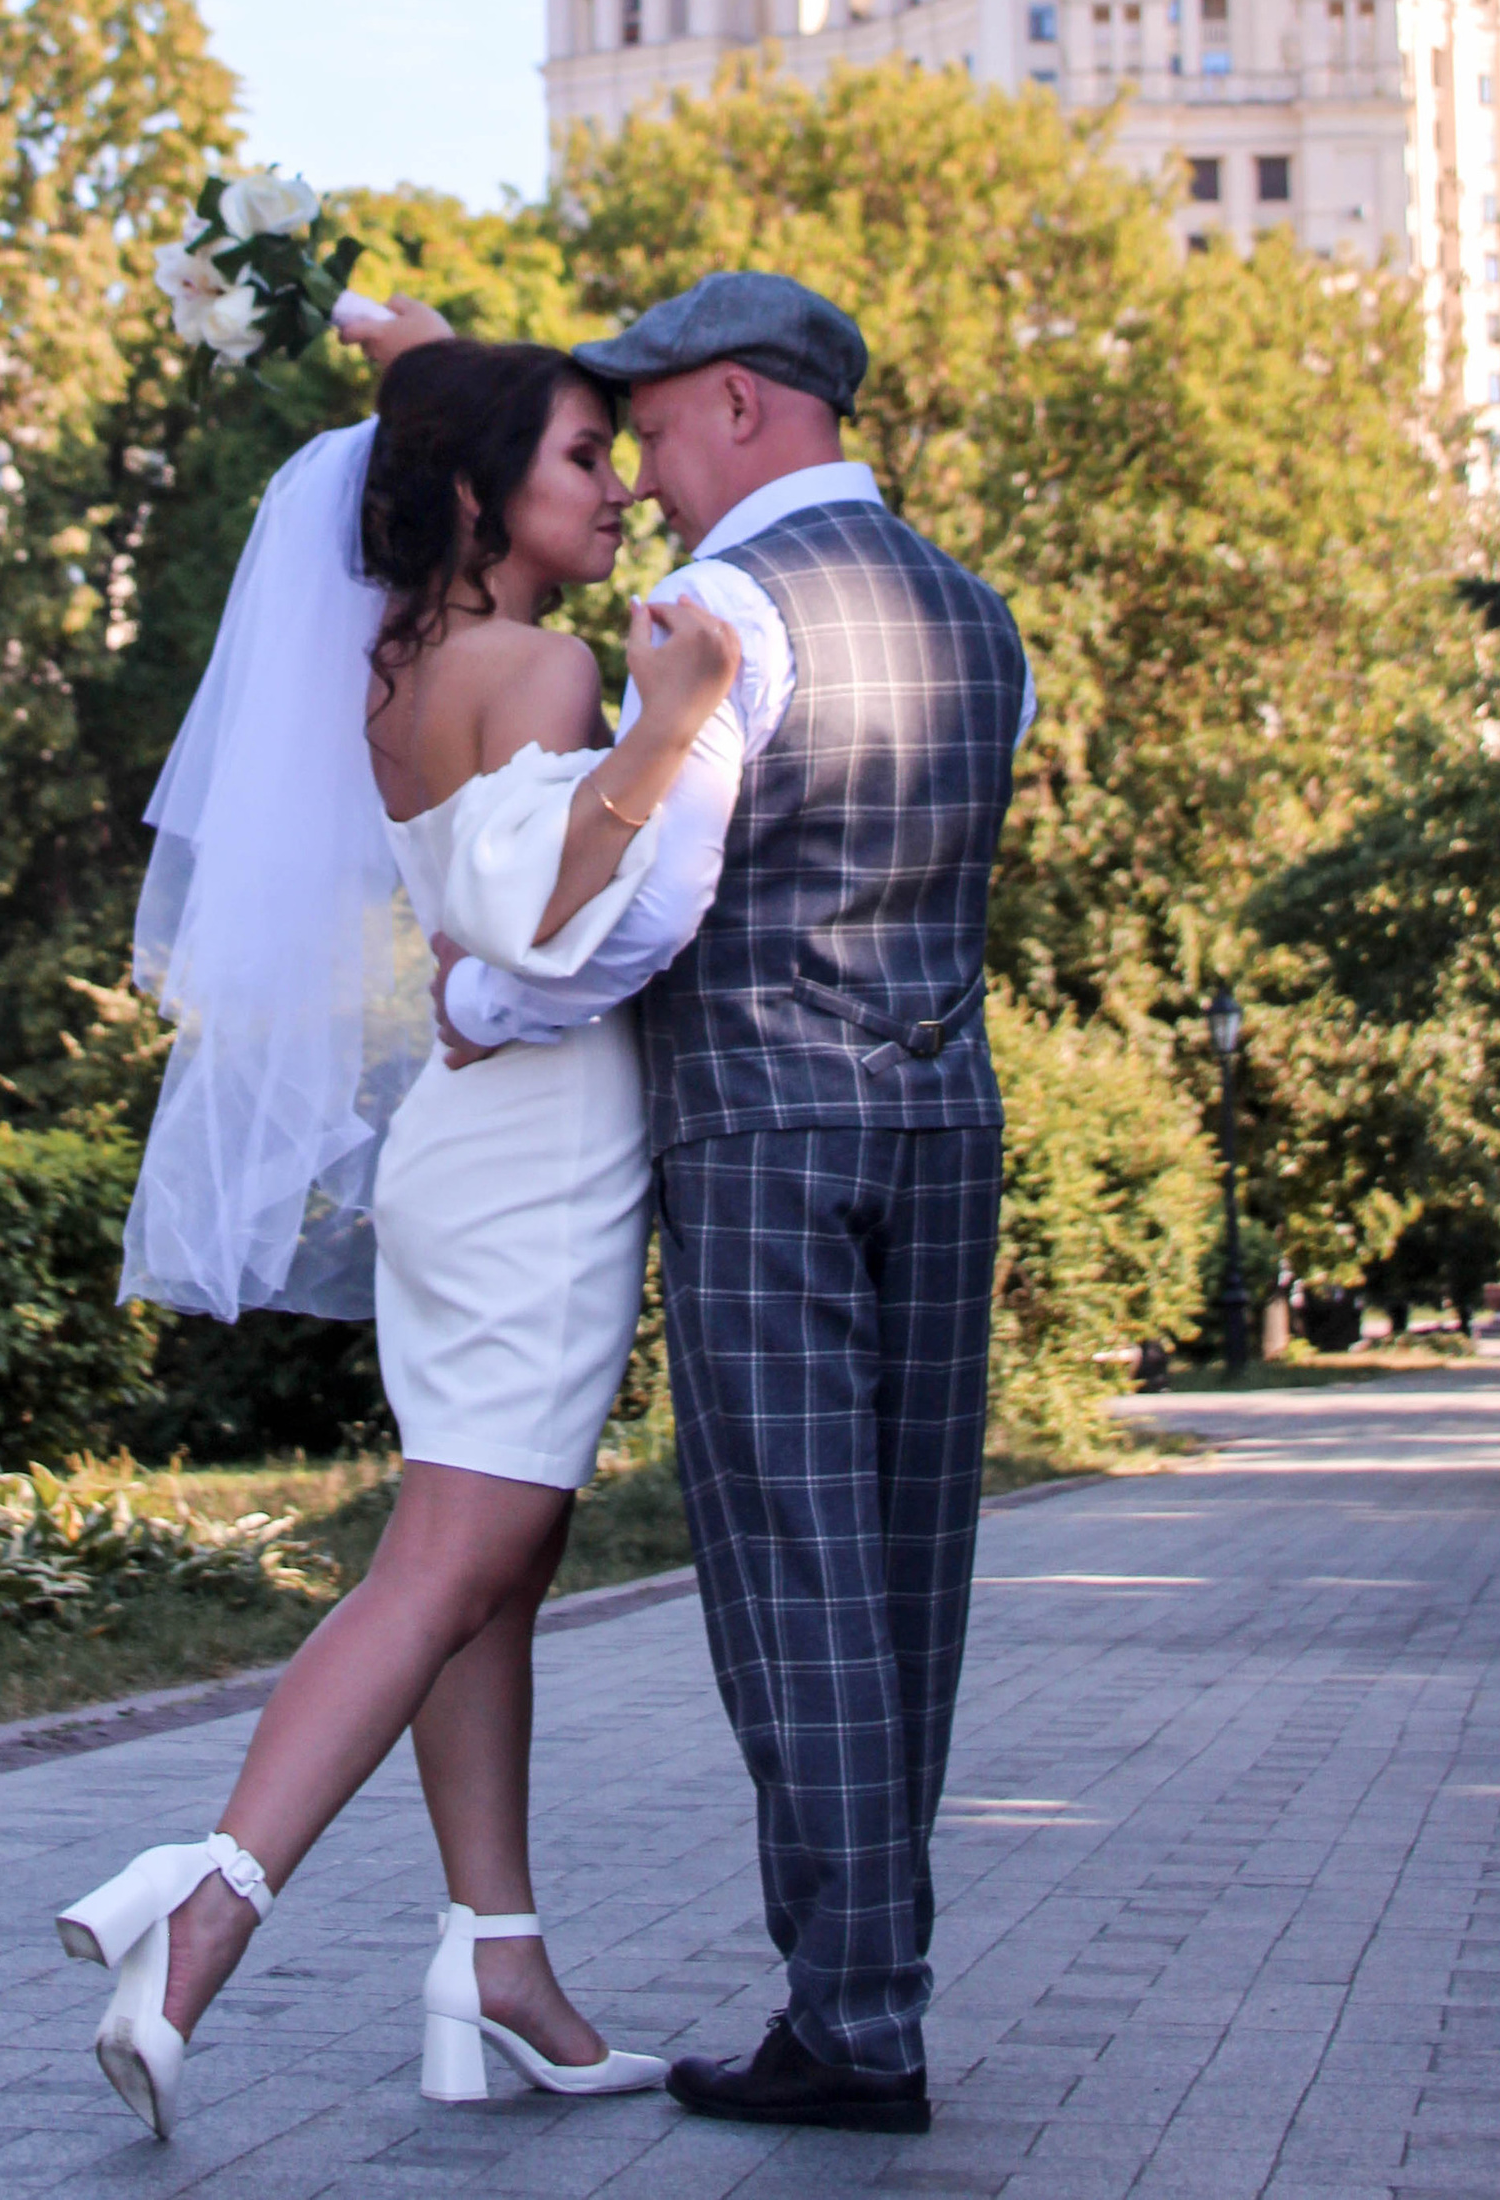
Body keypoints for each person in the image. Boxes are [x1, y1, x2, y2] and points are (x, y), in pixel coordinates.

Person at [57, 316, 741, 2140]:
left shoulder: (389, 664)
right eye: (581, 459)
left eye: (617, 454)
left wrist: (439, 356)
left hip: (466, 1144)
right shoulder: (545, 665)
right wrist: (670, 729)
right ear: (475, 490)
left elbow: (471, 912)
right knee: (447, 1565)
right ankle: (203, 1914)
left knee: (490, 1577)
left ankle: (496, 1959)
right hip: (536, 1162)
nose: (614, 487)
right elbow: (534, 917)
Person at [439, 270, 1033, 2136]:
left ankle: (855, 2022)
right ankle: (870, 1991)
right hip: (945, 1124)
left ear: (748, 410)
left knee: (796, 1575)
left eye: (657, 424)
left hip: (767, 1128)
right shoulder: (982, 618)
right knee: (912, 1577)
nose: (642, 468)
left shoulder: (724, 610)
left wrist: (479, 1000)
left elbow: (649, 910)